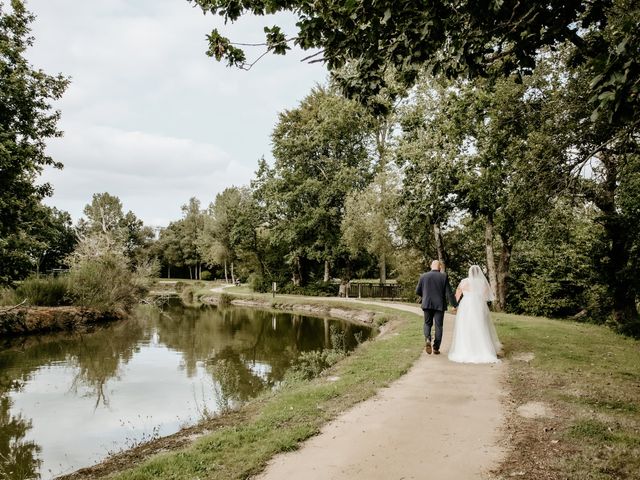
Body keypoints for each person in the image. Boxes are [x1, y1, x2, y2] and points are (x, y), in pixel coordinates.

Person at [448, 265, 502, 363]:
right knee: (480, 325)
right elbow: (485, 296)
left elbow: (458, 293)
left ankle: (465, 350)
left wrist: (455, 305)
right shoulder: (482, 282)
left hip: (466, 305)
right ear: (479, 273)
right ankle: (483, 349)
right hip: (478, 305)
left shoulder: (464, 281)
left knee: (465, 326)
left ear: (469, 272)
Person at [415, 260, 458, 355]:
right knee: (439, 326)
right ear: (440, 267)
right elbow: (449, 293)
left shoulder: (423, 276)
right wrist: (455, 305)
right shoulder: (443, 276)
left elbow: (417, 291)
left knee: (427, 323)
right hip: (439, 305)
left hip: (427, 304)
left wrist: (425, 294)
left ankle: (427, 339)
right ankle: (436, 348)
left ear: (431, 266)